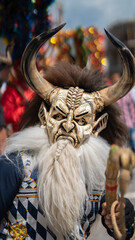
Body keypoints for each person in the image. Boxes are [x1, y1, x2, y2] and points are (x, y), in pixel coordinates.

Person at [0, 24, 134, 240]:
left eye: (81, 119)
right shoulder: (14, 167)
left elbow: (121, 230)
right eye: (59, 115)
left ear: (97, 125)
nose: (69, 125)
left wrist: (123, 214)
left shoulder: (98, 177)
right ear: (44, 117)